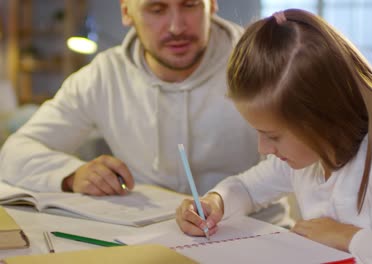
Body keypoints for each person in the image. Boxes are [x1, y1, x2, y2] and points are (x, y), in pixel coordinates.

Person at [176, 9, 372, 263]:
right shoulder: (310, 157)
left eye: (273, 136)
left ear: (320, 116)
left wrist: (345, 236)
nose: (264, 148)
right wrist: (215, 202)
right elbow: (247, 188)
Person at [0, 0, 290, 225]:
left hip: (257, 231)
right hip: (153, 234)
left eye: (189, 4)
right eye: (156, 8)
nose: (176, 27)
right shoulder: (103, 76)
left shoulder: (260, 60)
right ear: (127, 11)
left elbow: (299, 161)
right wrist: (72, 175)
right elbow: (14, 152)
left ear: (212, 4)